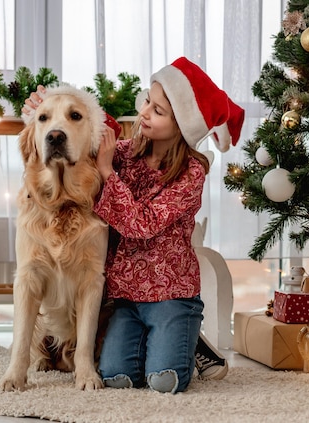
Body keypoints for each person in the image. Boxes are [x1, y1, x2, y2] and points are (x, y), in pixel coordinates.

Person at [24, 57, 244, 393]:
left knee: (163, 380)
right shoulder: (128, 152)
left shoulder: (191, 174)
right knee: (115, 377)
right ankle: (159, 338)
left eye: (157, 111)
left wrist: (108, 174)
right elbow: (93, 129)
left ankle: (186, 335)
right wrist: (52, 103)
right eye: (146, 102)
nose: (144, 113)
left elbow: (142, 223)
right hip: (126, 297)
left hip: (170, 295)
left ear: (182, 125)